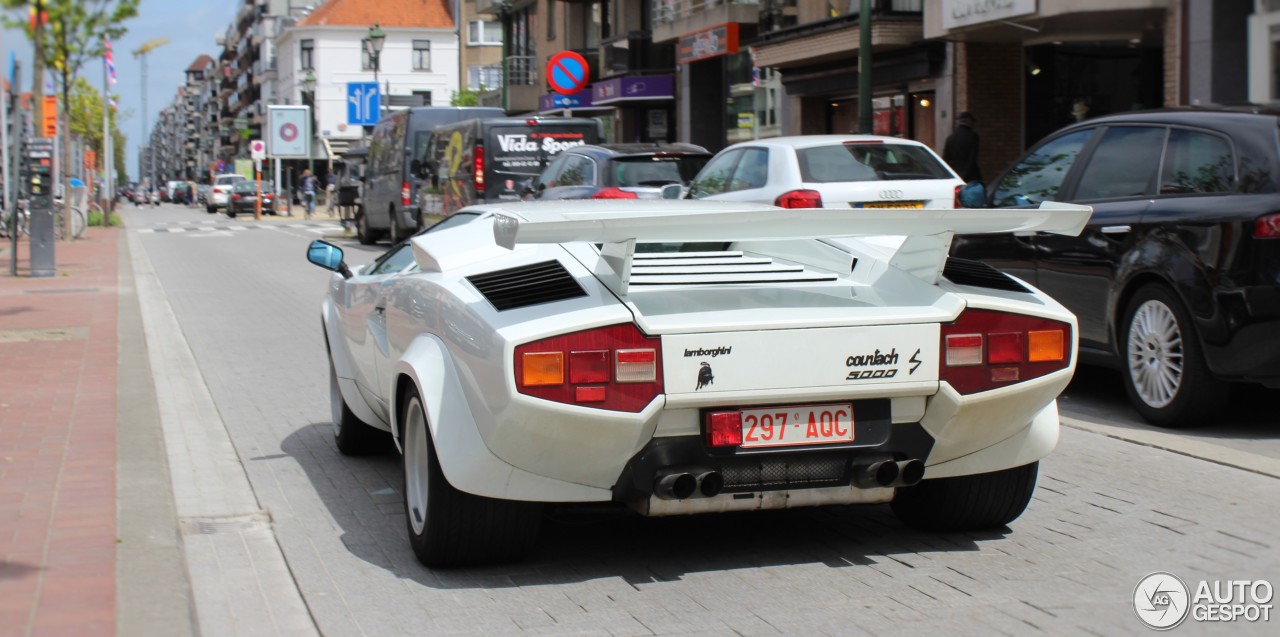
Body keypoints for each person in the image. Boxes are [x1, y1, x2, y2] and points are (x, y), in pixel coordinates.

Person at [942, 111, 982, 184]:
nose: (973, 124)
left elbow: (945, 158)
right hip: (971, 176)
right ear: (968, 120)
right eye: (972, 121)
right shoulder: (973, 136)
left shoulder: (950, 138)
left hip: (955, 175)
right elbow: (973, 158)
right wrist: (965, 174)